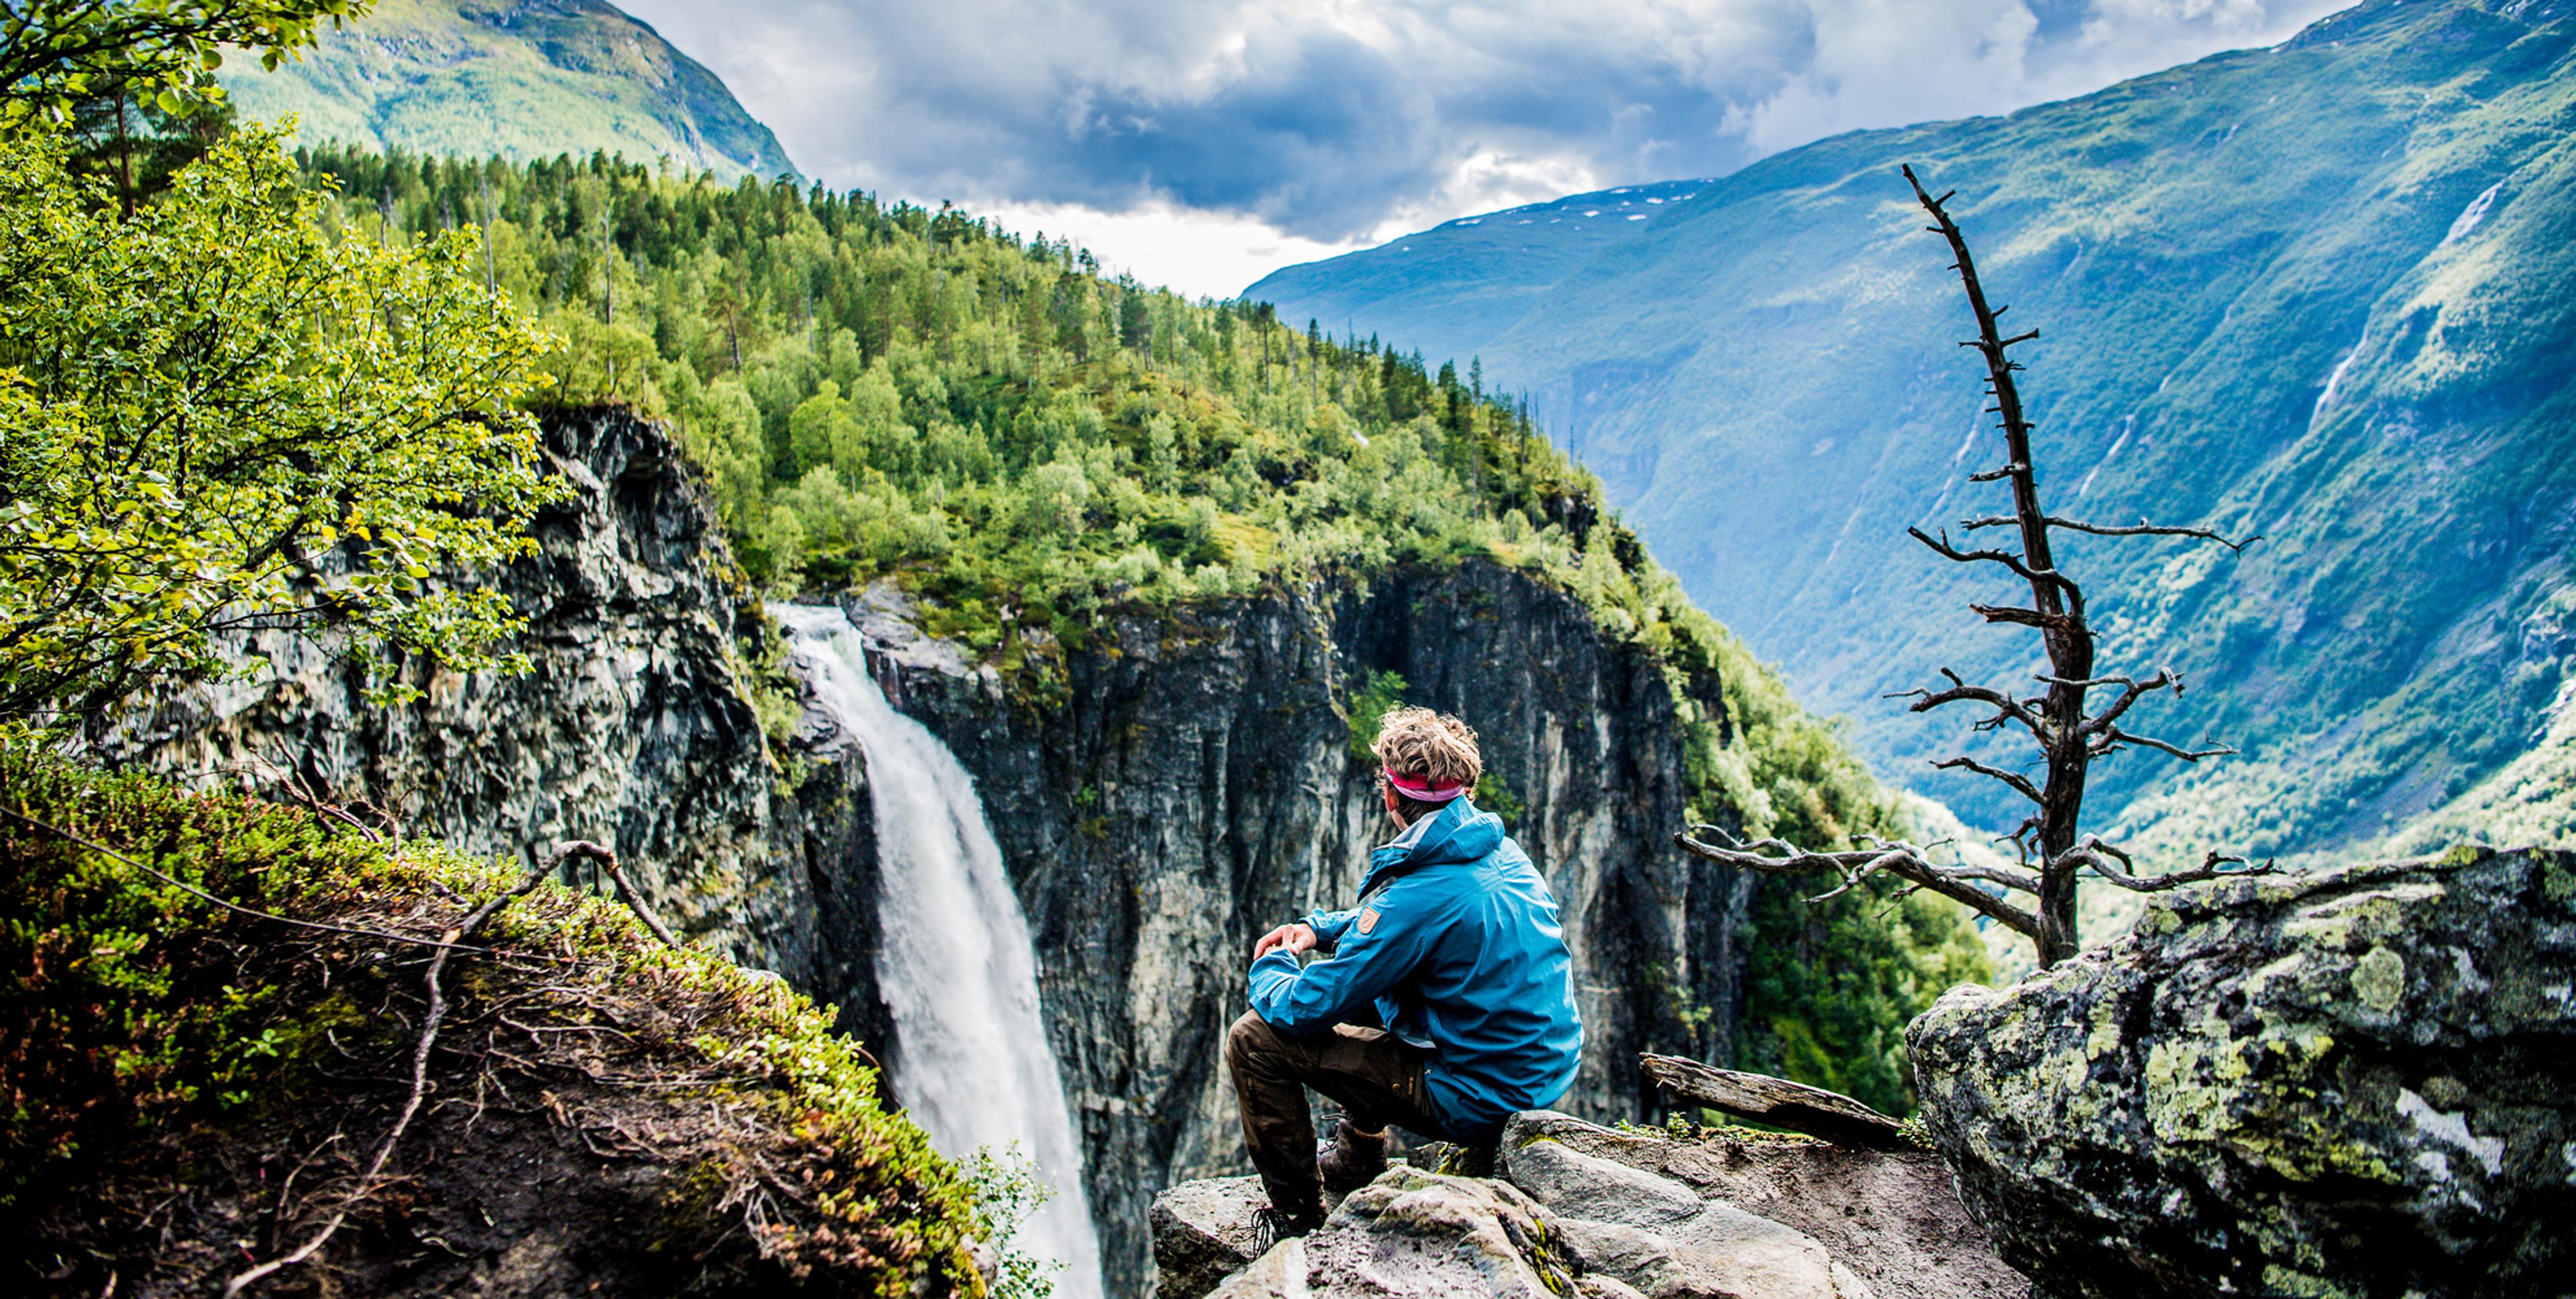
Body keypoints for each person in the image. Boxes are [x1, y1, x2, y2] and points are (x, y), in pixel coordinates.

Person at [1228, 705, 1584, 1235]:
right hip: (1536, 1069)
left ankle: (1298, 1218)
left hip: (1481, 1095)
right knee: (1381, 984)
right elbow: (1402, 927)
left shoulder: (1420, 897)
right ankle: (1358, 1158)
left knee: (1254, 1038)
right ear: (1465, 791)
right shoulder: (1502, 853)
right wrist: (1320, 930)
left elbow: (1309, 1006)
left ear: (1392, 798)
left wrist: (1275, 962)